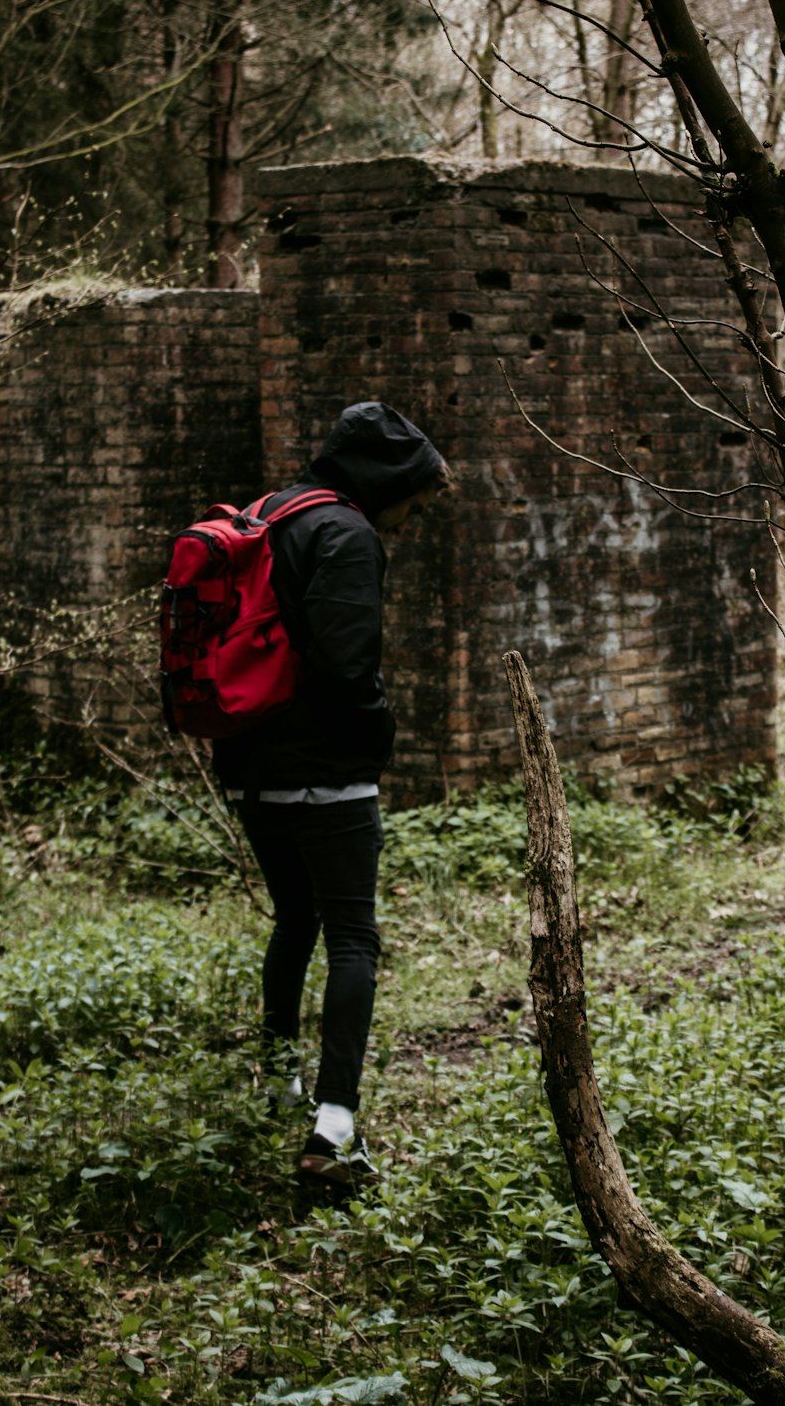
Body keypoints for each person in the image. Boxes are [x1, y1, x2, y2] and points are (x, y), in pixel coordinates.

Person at [213, 399, 451, 1184]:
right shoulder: (345, 533)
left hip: (254, 769)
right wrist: (378, 738)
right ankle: (334, 1126)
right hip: (329, 776)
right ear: (386, 480)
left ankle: (279, 1081)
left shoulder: (265, 514)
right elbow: (348, 667)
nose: (408, 526)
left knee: (294, 918)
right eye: (411, 508)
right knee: (354, 936)